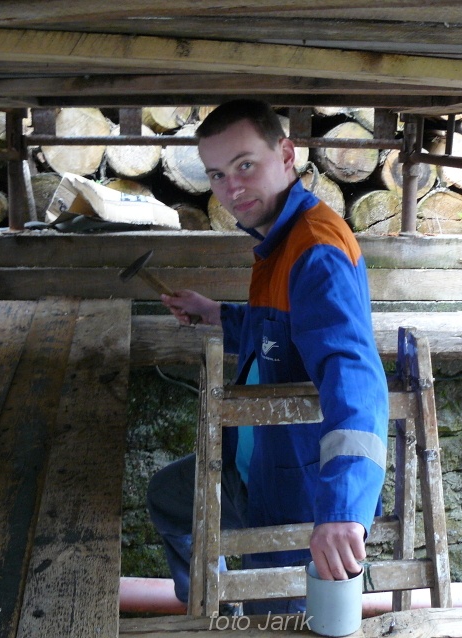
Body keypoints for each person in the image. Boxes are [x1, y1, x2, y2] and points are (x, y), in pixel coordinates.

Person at [147, 99, 389, 614]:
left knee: (276, 616)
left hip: (293, 484)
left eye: (244, 165)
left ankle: (238, 612)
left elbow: (355, 377)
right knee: (169, 496)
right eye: (217, 174)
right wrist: (217, 314)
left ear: (286, 154)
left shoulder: (315, 252)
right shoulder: (280, 241)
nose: (231, 188)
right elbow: (280, 332)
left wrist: (343, 508)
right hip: (250, 465)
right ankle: (214, 609)